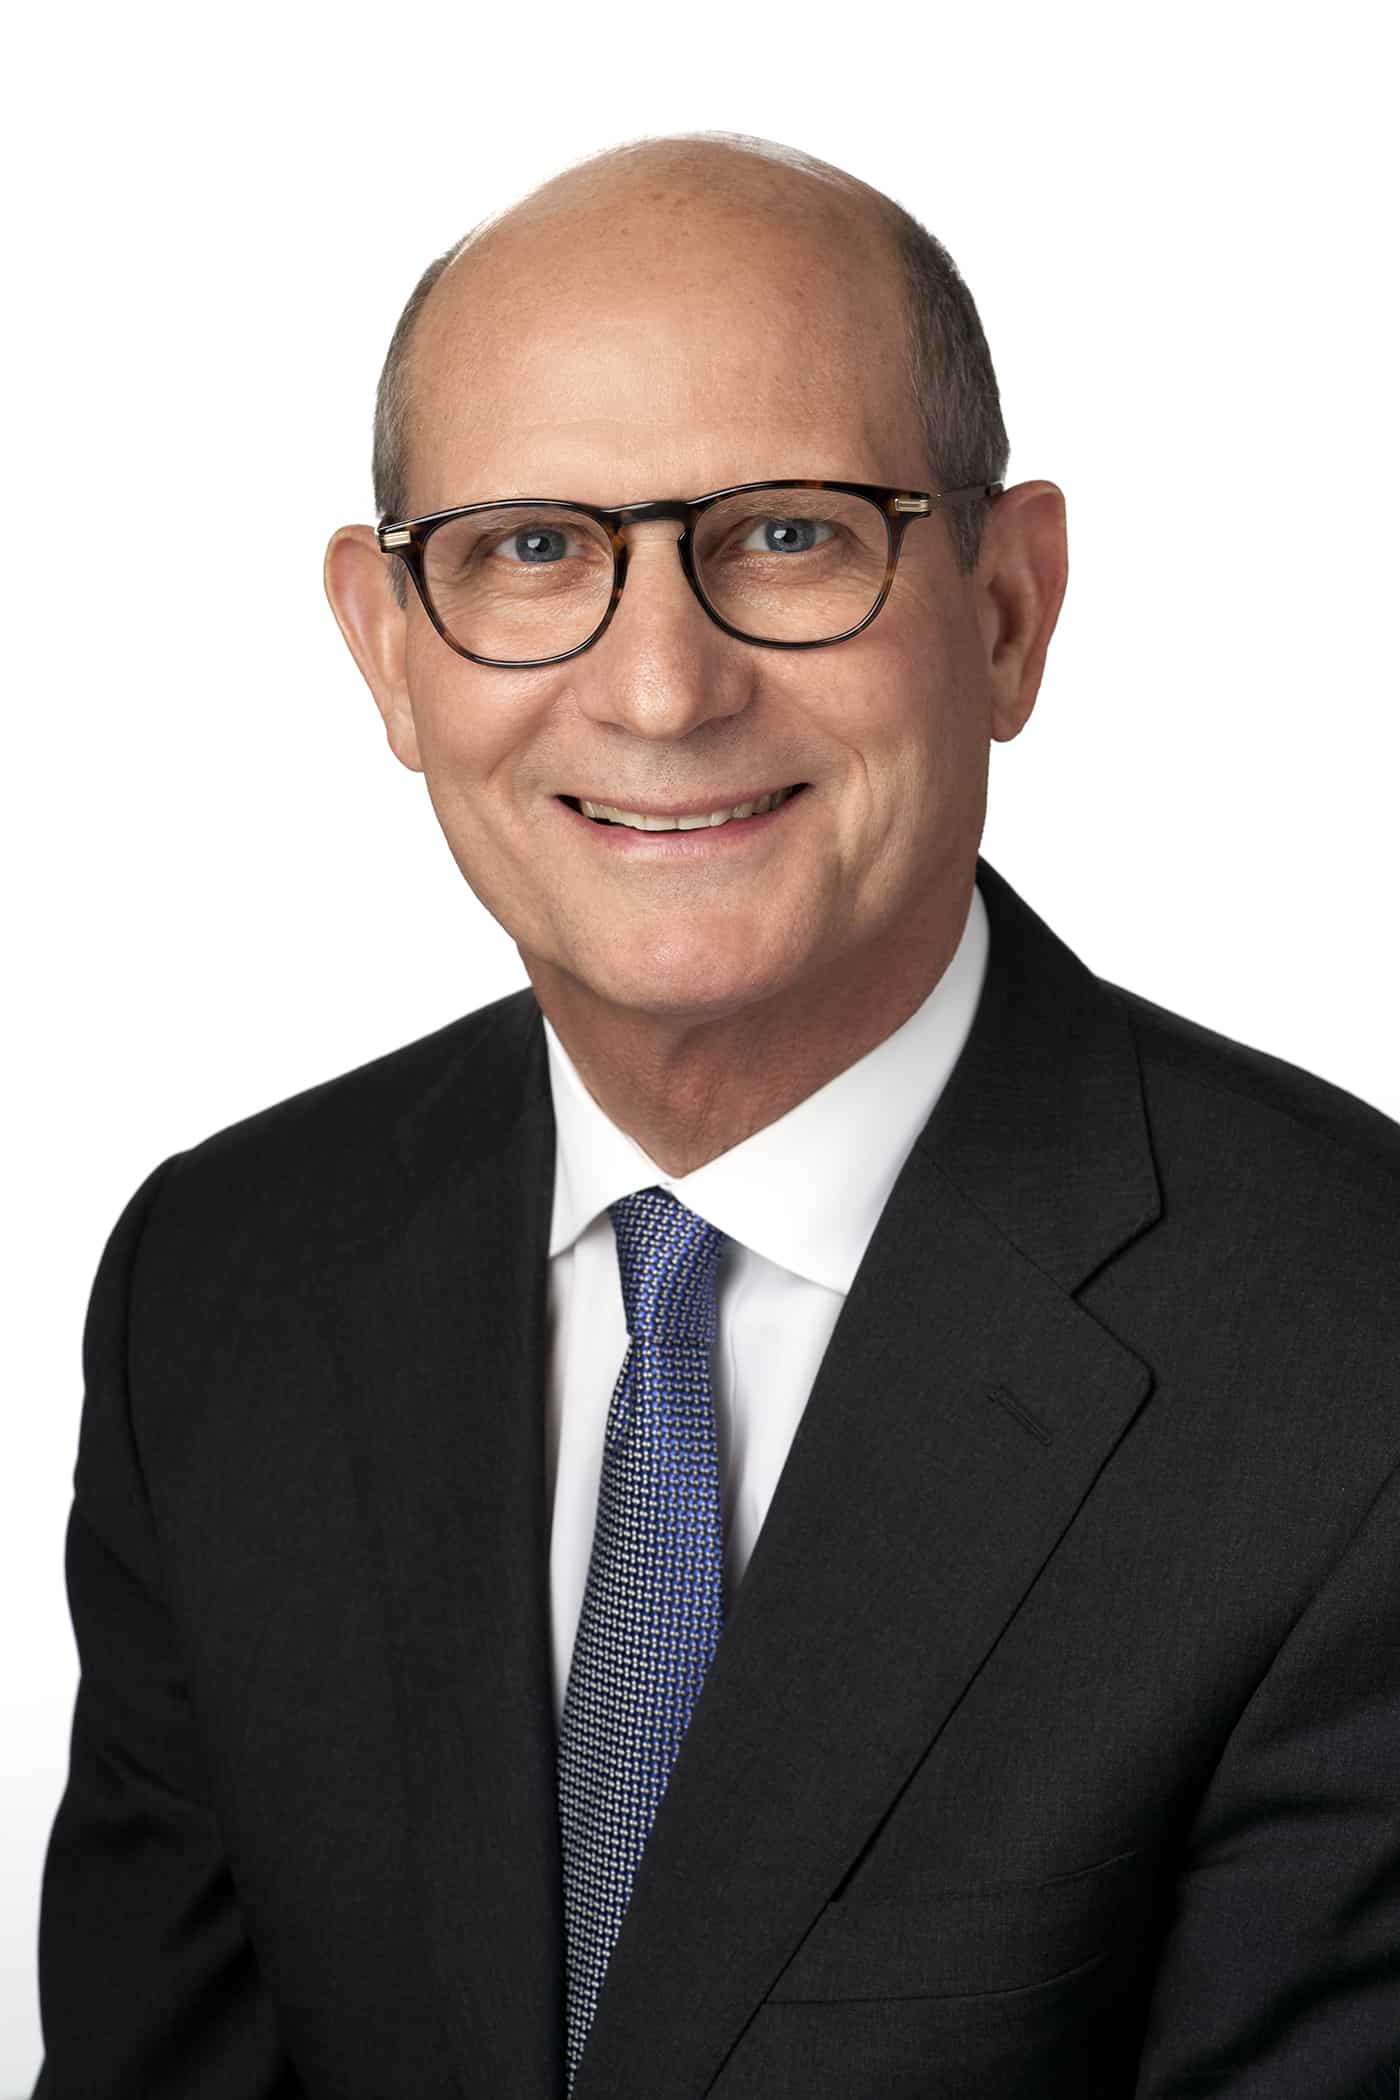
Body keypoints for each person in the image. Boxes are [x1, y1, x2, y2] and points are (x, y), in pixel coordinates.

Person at [31, 128, 1400, 2100]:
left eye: (787, 536)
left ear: (1006, 610)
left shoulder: (1351, 1363)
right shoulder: (220, 1286)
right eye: (530, 550)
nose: (662, 690)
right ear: (389, 653)